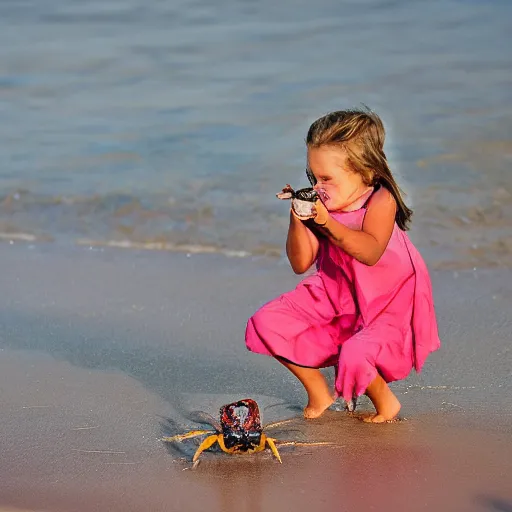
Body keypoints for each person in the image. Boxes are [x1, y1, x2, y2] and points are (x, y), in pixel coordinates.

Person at [245, 108, 441, 423]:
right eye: (313, 176)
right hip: (334, 292)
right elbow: (300, 263)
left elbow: (370, 251)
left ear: (366, 172)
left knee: (356, 350)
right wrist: (298, 218)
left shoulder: (380, 199)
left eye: (326, 178)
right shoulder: (321, 205)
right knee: (267, 322)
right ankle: (319, 392)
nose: (318, 186)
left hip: (385, 301)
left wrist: (327, 223)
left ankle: (386, 404)